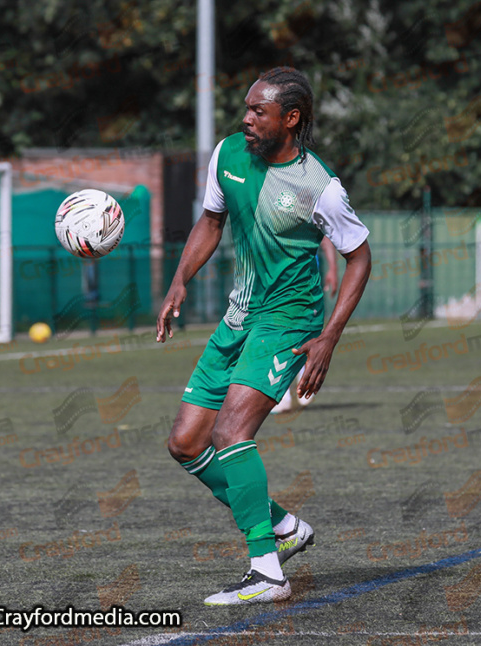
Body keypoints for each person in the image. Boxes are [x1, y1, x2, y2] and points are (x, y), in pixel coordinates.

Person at [156, 66, 372, 605]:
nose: (247, 118)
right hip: (239, 316)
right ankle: (283, 527)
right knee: (185, 442)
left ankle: (268, 572)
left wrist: (328, 338)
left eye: (259, 111)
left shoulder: (318, 186)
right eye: (246, 108)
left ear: (291, 118)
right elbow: (210, 222)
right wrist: (180, 280)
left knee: (230, 432)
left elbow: (360, 258)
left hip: (289, 322)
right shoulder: (228, 153)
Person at [271, 237, 338, 414]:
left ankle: (288, 392)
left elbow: (324, 237)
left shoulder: (304, 212)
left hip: (302, 282)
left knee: (286, 335)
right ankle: (301, 380)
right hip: (278, 282)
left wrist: (332, 267)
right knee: (285, 335)